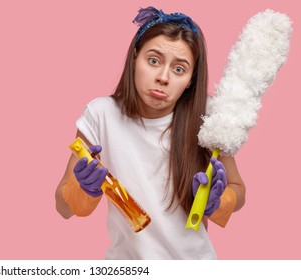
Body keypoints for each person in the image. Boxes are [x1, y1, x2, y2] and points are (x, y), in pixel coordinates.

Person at [55, 6, 246, 259]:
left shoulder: (208, 116)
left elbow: (238, 189)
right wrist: (82, 189)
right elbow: (63, 207)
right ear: (135, 57)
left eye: (179, 69)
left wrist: (218, 201)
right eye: (153, 61)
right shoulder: (100, 114)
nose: (163, 77)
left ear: (190, 79)